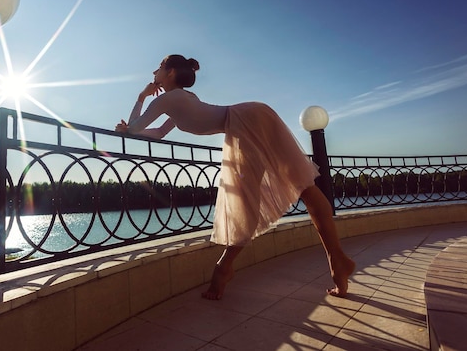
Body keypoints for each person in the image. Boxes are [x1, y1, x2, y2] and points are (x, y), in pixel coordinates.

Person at [115, 54, 355, 300]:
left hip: (246, 121)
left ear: (171, 72)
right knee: (301, 188)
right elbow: (156, 132)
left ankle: (224, 268)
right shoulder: (179, 100)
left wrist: (141, 97)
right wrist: (132, 126)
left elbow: (134, 127)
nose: (154, 73)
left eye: (159, 67)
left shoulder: (170, 98)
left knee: (259, 197)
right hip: (247, 119)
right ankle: (336, 262)